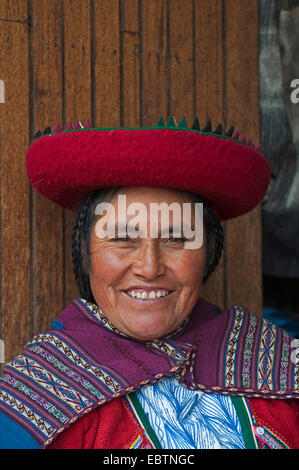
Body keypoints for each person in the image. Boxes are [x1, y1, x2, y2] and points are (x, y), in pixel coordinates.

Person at [0, 117, 298, 449]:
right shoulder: (35, 394)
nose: (149, 267)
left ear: (208, 253)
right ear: (85, 254)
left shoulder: (276, 360)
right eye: (122, 238)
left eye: (175, 239)